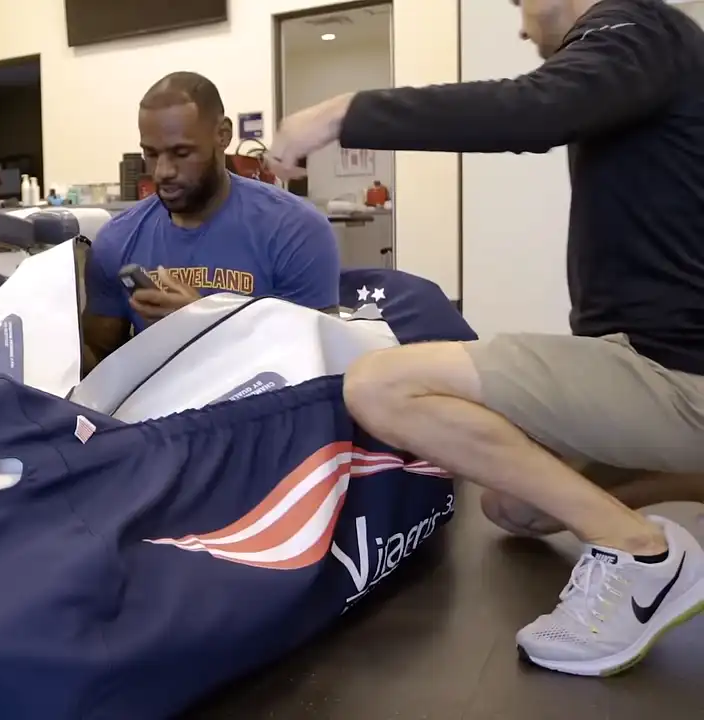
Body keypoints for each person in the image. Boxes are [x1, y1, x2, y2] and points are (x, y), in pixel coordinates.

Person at [266, 0, 704, 677]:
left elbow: (531, 111)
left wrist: (340, 112)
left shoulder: (638, 25)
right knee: (514, 506)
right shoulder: (655, 52)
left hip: (678, 376)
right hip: (641, 363)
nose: (523, 28)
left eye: (519, 6)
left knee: (381, 386)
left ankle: (643, 555)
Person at [81, 71, 340, 372]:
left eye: (181, 153)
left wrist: (208, 326)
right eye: (151, 154)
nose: (163, 171)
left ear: (223, 135)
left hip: (259, 412)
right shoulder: (116, 240)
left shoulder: (296, 231)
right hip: (154, 412)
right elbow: (97, 368)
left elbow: (319, 366)